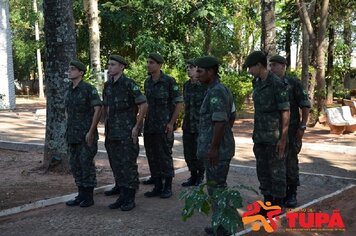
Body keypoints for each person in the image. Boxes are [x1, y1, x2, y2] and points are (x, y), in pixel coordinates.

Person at [244, 51, 290, 209]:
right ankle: (268, 202)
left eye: (250, 67)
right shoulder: (256, 82)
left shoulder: (276, 83)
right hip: (260, 136)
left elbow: (285, 111)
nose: (249, 71)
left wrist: (283, 139)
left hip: (274, 136)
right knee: (262, 170)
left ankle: (278, 204)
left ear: (259, 65)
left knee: (277, 172)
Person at [195, 56, 236, 236]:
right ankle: (220, 224)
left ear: (210, 72)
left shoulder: (216, 91)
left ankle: (224, 228)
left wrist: (214, 147)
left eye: (200, 71)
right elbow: (231, 115)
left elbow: (220, 121)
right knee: (215, 188)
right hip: (217, 148)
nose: (196, 75)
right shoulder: (216, 89)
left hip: (217, 152)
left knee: (217, 188)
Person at [102, 55, 148, 211]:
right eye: (109, 64)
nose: (110, 67)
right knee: (116, 164)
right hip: (112, 132)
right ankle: (122, 195)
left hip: (127, 132)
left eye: (113, 64)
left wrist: (137, 126)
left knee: (128, 165)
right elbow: (106, 108)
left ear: (121, 67)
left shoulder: (129, 84)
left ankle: (130, 198)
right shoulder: (107, 86)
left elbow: (143, 104)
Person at [269, 55, 310, 208]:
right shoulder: (268, 84)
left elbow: (305, 106)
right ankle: (279, 193)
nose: (271, 68)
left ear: (283, 66)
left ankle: (292, 193)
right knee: (276, 162)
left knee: (291, 162)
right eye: (270, 65)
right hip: (273, 131)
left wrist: (302, 127)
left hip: (292, 130)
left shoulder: (293, 83)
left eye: (274, 65)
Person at [143, 53, 183, 199]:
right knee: (152, 156)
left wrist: (172, 123)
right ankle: (157, 186)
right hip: (149, 126)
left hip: (163, 126)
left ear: (160, 65)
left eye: (151, 62)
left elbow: (179, 103)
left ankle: (168, 187)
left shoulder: (169, 81)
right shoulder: (147, 82)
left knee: (165, 156)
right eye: (147, 62)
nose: (148, 65)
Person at [65, 60, 102, 208]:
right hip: (72, 135)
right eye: (69, 69)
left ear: (81, 72)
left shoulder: (88, 89)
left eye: (73, 69)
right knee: (75, 165)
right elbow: (67, 109)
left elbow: (98, 109)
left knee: (86, 165)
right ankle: (80, 194)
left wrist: (91, 131)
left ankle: (88, 196)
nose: (70, 71)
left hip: (86, 135)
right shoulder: (68, 89)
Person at [181, 58, 207, 187]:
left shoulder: (205, 86)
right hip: (188, 124)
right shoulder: (186, 85)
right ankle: (193, 175)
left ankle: (200, 176)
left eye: (191, 67)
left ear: (198, 69)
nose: (188, 70)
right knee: (188, 152)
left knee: (200, 152)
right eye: (187, 68)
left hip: (200, 126)